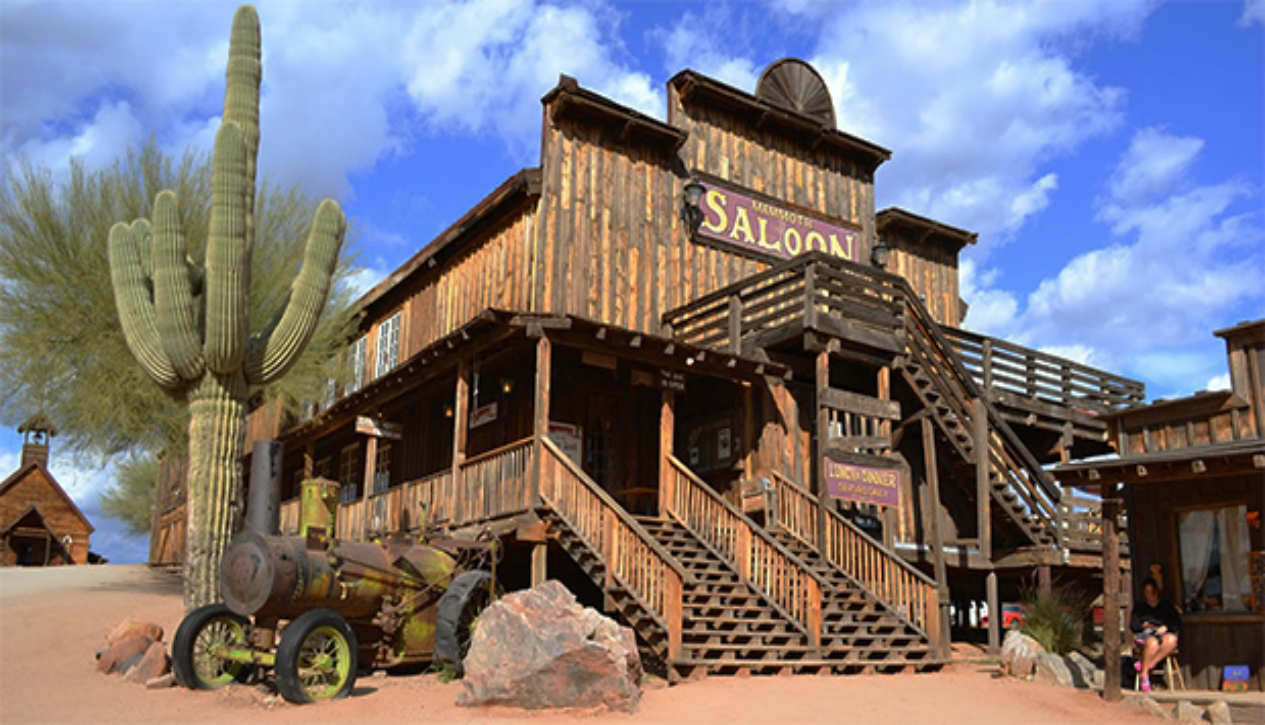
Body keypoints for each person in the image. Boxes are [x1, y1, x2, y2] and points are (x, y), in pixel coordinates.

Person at [1130, 577, 1181, 692]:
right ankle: (1144, 675)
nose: (1149, 594)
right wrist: (1144, 625)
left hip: (1163, 632)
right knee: (1152, 643)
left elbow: (1176, 622)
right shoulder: (1140, 608)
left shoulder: (1166, 606)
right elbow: (1133, 626)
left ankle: (1148, 664)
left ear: (1156, 591)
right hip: (1146, 635)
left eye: (1151, 591)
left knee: (1171, 640)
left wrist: (1165, 627)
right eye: (1147, 592)